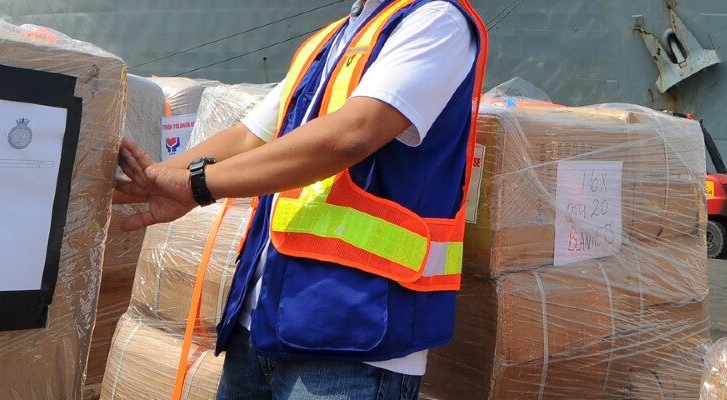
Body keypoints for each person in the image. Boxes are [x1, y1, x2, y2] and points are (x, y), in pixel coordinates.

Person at [113, 1, 487, 399]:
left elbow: (352, 134)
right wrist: (152, 180)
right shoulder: (334, 38)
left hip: (356, 337)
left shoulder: (436, 21)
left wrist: (197, 186)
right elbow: (248, 137)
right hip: (262, 321)